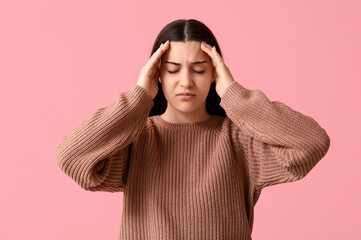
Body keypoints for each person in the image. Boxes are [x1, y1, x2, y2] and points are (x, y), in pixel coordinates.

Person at [56, 19, 331, 240]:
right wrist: (139, 95)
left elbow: (312, 142)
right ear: (157, 74)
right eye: (173, 69)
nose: (186, 81)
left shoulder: (239, 141)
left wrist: (235, 96)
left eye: (199, 69)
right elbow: (71, 157)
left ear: (215, 74)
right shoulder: (138, 139)